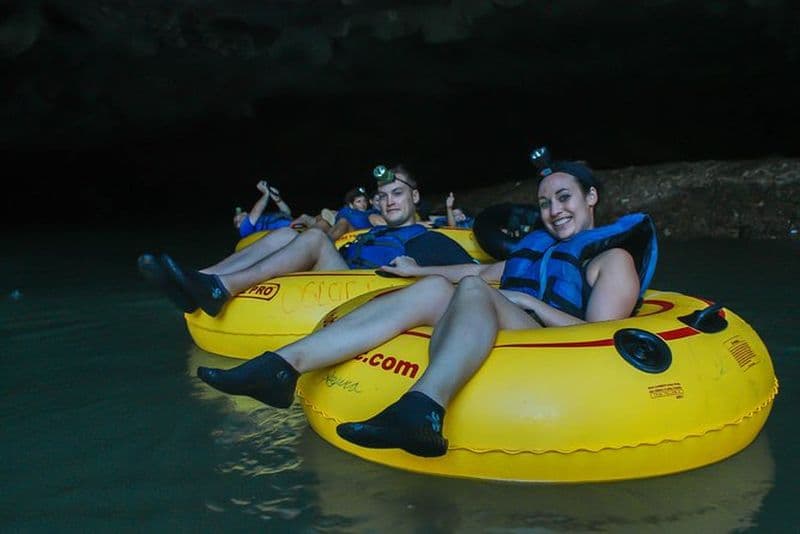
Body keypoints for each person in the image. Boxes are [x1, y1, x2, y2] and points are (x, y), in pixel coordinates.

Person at [193, 148, 658, 458]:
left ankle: (424, 410)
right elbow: (480, 272)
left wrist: (525, 303)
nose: (554, 210)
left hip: (553, 346)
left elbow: (602, 337)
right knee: (440, 289)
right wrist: (419, 272)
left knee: (474, 294)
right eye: (544, 203)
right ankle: (282, 367)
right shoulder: (538, 249)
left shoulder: (612, 258)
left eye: (564, 198)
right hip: (514, 315)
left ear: (591, 197)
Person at [138, 164, 476, 316]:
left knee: (314, 239)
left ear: (415, 197)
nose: (388, 201)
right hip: (345, 270)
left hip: (363, 289)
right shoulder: (376, 230)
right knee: (285, 233)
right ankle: (197, 278)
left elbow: (474, 274)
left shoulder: (428, 238)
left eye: (398, 193)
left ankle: (220, 288)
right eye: (383, 195)